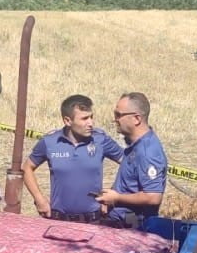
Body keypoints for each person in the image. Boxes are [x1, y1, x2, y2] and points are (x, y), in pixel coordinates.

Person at [22, 94, 123, 222]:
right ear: (67, 121)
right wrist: (39, 199)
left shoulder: (100, 140)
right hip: (58, 220)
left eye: (91, 117)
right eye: (84, 118)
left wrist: (114, 193)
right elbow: (27, 168)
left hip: (93, 221)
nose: (90, 123)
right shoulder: (50, 142)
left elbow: (129, 164)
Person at [96, 91, 167, 227]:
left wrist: (117, 198)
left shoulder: (147, 152)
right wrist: (110, 198)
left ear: (136, 119)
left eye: (118, 115)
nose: (115, 120)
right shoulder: (136, 145)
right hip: (120, 222)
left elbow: (153, 197)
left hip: (131, 226)